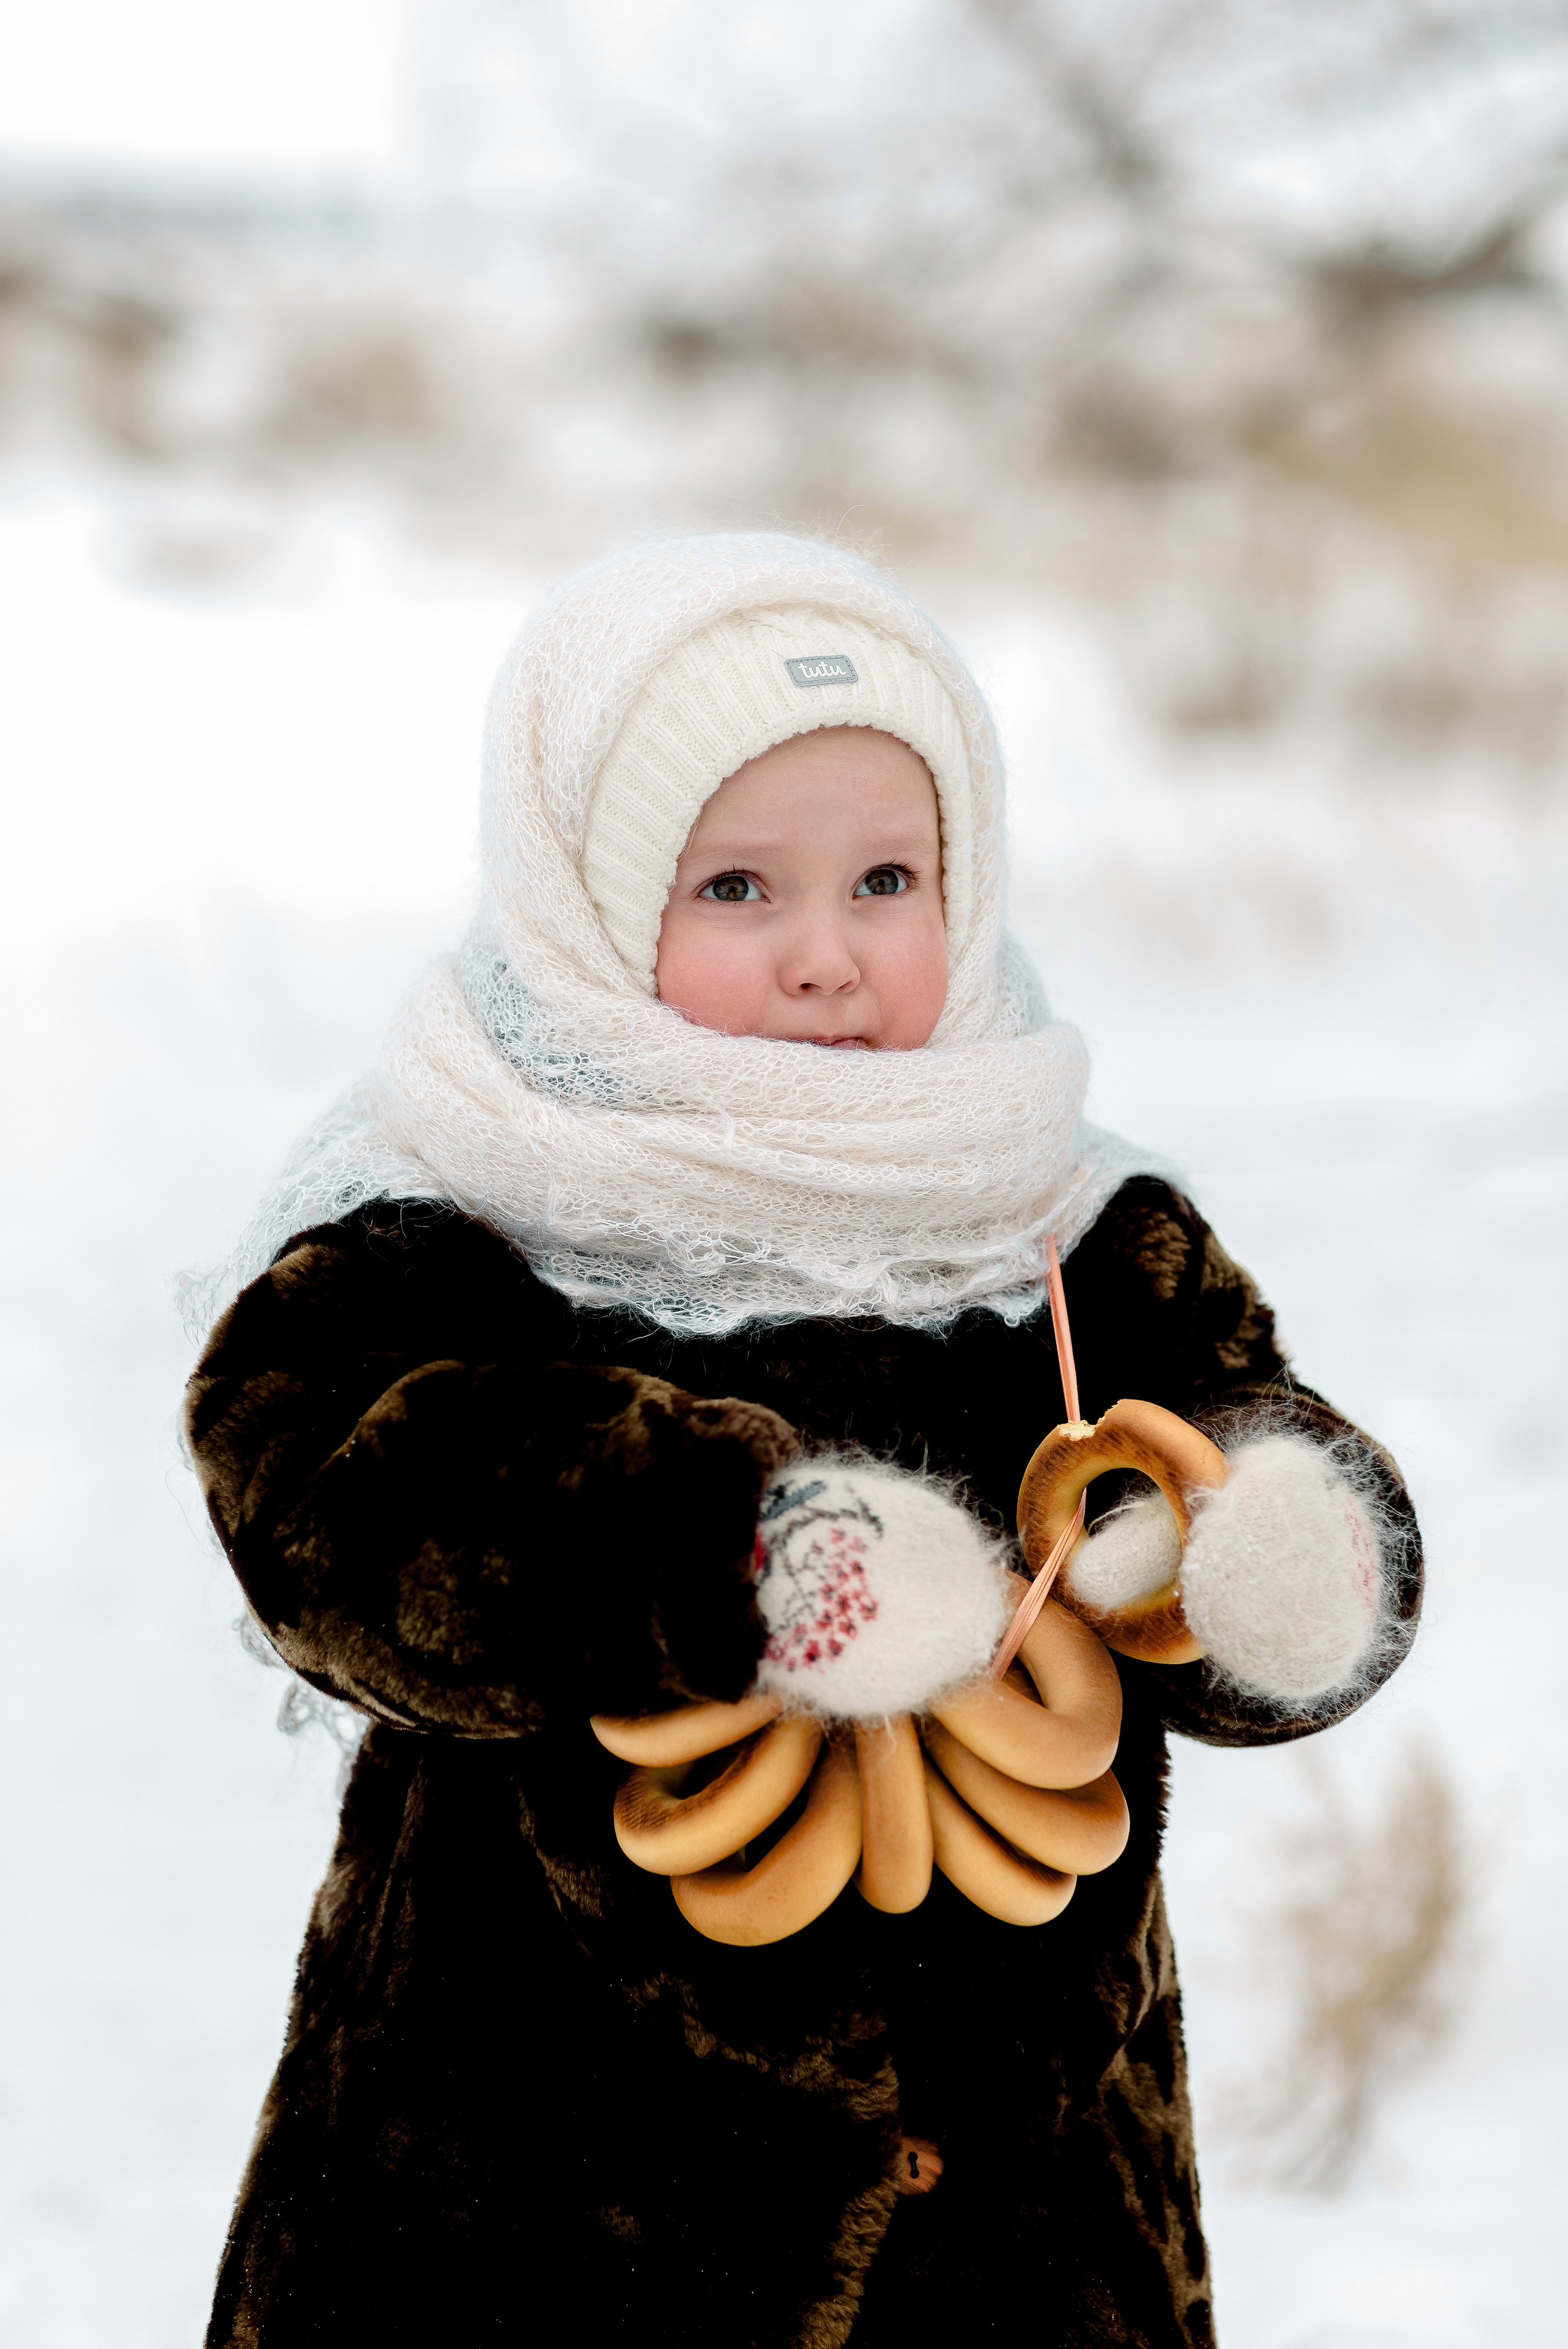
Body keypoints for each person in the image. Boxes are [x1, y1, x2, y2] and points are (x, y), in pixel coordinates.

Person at [184, 532, 1420, 2348]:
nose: (830, 960)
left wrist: (1255, 1559)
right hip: (523, 2209)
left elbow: (1241, 1418)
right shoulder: (462, 1211)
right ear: (590, 908)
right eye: (741, 887)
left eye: (890, 880)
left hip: (1025, 2227)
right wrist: (724, 1555)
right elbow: (336, 1502)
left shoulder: (1057, 1226)